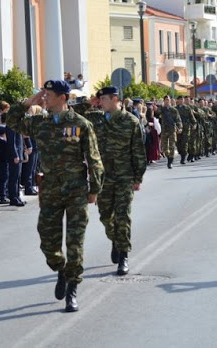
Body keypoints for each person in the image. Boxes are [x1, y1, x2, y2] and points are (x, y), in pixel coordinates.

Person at [6, 80, 104, 312]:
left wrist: (94, 189)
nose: (44, 98)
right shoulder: (40, 123)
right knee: (47, 239)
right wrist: (28, 103)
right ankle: (60, 268)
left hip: (76, 189)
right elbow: (12, 122)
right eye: (43, 94)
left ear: (63, 98)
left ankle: (72, 287)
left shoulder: (81, 124)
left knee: (75, 242)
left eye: (48, 94)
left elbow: (94, 158)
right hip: (50, 188)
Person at [91, 86, 147, 275]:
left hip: (124, 176)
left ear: (115, 99)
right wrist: (88, 103)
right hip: (103, 177)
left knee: (123, 216)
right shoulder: (96, 119)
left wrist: (138, 177)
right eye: (99, 100)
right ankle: (115, 239)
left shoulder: (130, 121)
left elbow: (138, 151)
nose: (101, 102)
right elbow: (71, 113)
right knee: (106, 216)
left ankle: (123, 255)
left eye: (103, 99)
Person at [155, 96, 182, 169]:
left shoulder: (174, 110)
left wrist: (179, 128)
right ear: (164, 101)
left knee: (172, 145)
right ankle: (168, 157)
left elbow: (178, 119)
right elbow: (157, 113)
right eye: (166, 100)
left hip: (172, 130)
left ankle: (170, 161)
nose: (167, 101)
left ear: (170, 101)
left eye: (168, 100)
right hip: (164, 130)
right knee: (164, 148)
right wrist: (159, 105)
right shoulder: (162, 109)